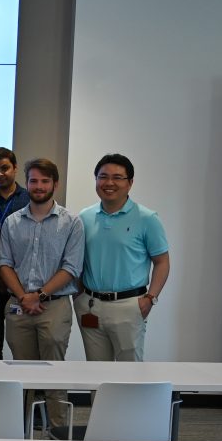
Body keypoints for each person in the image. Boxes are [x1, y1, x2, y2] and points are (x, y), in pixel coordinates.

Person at [0, 158, 83, 428]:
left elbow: (71, 267)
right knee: (21, 373)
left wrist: (40, 296)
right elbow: (4, 263)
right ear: (28, 183)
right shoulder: (12, 222)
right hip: (19, 305)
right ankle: (19, 430)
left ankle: (58, 430)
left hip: (54, 307)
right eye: (34, 180)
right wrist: (24, 297)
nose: (39, 186)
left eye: (45, 181)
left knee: (54, 370)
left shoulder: (72, 222)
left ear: (55, 184)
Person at [77, 153, 169, 362]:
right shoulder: (84, 217)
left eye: (118, 177)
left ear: (130, 183)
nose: (109, 183)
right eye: (103, 176)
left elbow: (162, 261)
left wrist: (150, 298)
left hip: (129, 305)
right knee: (95, 372)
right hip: (90, 305)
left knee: (130, 375)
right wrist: (79, 297)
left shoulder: (147, 218)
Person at [0, 147, 31, 360]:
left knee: (23, 343)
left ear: (15, 168)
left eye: (5, 168)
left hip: (21, 280)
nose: (0, 174)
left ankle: (25, 391)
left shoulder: (30, 198)